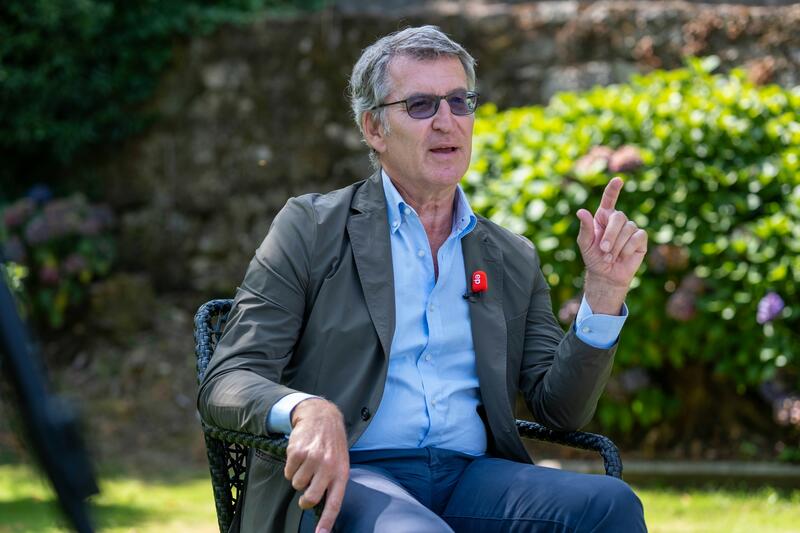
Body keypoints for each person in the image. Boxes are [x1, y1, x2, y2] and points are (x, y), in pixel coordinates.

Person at [198, 26, 648, 533]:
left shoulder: (510, 256)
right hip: (350, 476)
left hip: (471, 479)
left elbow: (560, 409)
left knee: (610, 505)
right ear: (374, 128)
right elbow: (227, 380)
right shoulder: (312, 228)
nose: (446, 121)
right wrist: (306, 409)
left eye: (459, 102)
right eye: (420, 105)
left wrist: (603, 295)